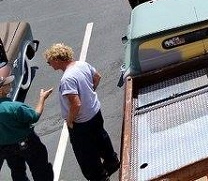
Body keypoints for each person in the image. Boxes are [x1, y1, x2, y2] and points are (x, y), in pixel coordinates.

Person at [44, 44, 119, 181]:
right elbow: (97, 77)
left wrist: (71, 121)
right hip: (95, 111)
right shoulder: (82, 65)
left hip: (81, 122)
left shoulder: (67, 79)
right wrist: (89, 94)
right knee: (101, 137)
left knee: (87, 155)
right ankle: (112, 161)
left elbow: (76, 104)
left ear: (57, 60)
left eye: (49, 62)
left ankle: (100, 177)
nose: (49, 65)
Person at [0, 76, 54, 181]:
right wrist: (42, 98)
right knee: (41, 170)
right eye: (6, 84)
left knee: (17, 173)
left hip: (6, 148)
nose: (10, 84)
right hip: (28, 144)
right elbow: (34, 116)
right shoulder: (15, 107)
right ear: (1, 90)